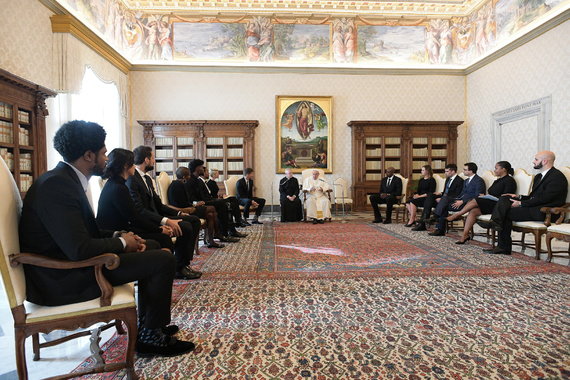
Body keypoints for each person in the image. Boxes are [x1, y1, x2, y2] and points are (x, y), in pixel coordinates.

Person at [19, 120, 195, 357]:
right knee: (162, 261)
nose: (106, 159)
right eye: (103, 153)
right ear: (89, 155)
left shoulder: (63, 180)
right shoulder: (57, 186)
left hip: (72, 268)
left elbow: (84, 233)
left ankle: (151, 326)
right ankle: (150, 337)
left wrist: (120, 236)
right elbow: (79, 248)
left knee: (152, 246)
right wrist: (123, 243)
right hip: (64, 279)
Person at [127, 146, 202, 280]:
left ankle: (184, 262)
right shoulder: (132, 179)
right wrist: (165, 221)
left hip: (157, 215)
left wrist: (179, 214)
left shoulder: (148, 179)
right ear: (146, 160)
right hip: (148, 220)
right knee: (185, 226)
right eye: (153, 158)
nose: (154, 161)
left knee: (193, 220)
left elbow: (159, 205)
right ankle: (179, 267)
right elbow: (139, 210)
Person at [487, 151, 568, 255]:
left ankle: (501, 241)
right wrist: (518, 197)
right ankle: (496, 223)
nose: (533, 162)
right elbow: (533, 197)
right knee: (505, 198)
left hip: (546, 211)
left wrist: (521, 203)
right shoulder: (539, 177)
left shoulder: (557, 177)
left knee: (506, 213)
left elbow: (545, 198)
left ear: (544, 161)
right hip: (534, 207)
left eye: (536, 159)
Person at [97, 148, 175, 252]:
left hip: (122, 229)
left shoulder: (115, 183)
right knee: (163, 239)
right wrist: (160, 229)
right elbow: (135, 217)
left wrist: (158, 228)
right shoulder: (119, 187)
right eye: (132, 163)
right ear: (125, 165)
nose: (134, 166)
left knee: (160, 237)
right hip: (115, 234)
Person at [447, 161, 517, 244]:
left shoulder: (509, 180)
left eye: (496, 168)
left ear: (504, 169)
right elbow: (491, 191)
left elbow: (506, 196)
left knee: (476, 199)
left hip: (500, 206)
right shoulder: (497, 180)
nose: (494, 170)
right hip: (491, 202)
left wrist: (490, 197)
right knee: (473, 211)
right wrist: (485, 196)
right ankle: (464, 235)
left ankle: (458, 214)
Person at [185, 159, 245, 241]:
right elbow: (192, 198)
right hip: (200, 204)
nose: (203, 169)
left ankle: (233, 228)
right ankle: (224, 233)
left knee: (232, 199)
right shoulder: (190, 181)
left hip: (206, 200)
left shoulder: (197, 180)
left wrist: (215, 199)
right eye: (202, 167)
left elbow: (206, 195)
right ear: (197, 168)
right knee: (222, 204)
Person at [167, 166, 224, 249]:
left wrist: (195, 204)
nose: (190, 177)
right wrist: (194, 205)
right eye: (189, 175)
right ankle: (216, 234)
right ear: (184, 177)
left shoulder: (179, 184)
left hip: (188, 207)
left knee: (210, 215)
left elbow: (185, 201)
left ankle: (211, 240)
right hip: (183, 211)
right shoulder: (177, 186)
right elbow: (181, 204)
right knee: (211, 208)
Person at [429, 162, 486, 236]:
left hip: (469, 204)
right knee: (444, 204)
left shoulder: (479, 181)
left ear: (471, 171)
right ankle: (439, 229)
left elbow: (478, 196)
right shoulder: (466, 181)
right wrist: (457, 200)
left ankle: (436, 217)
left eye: (465, 170)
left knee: (444, 201)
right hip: (460, 201)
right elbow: (461, 194)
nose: (463, 171)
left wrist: (462, 201)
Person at [412, 164, 464, 232]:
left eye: (447, 171)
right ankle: (425, 217)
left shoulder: (460, 180)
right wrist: (441, 194)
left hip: (451, 199)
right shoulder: (448, 179)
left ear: (453, 171)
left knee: (436, 200)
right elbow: (446, 191)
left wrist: (442, 198)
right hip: (445, 197)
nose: (445, 173)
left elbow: (456, 194)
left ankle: (426, 220)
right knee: (430, 195)